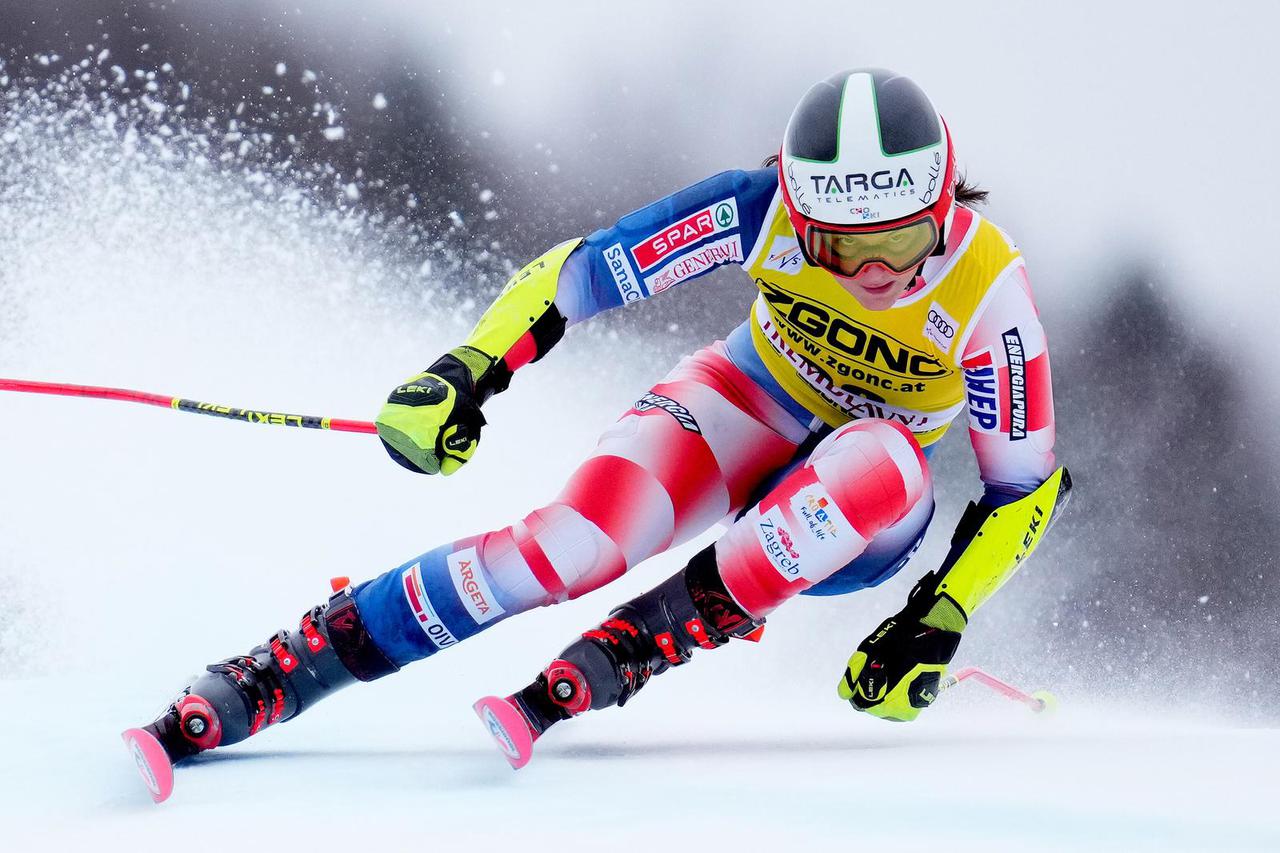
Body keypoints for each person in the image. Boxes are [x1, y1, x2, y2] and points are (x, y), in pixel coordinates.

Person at [129, 68, 1070, 775]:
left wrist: (936, 617)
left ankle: (655, 633)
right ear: (800, 209)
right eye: (836, 246)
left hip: (864, 515)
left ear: (944, 206)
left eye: (900, 241)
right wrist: (469, 369)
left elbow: (1024, 487)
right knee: (564, 548)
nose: (872, 273)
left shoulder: (989, 294)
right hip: (744, 403)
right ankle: (286, 667)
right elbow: (580, 272)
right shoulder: (762, 210)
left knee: (878, 457)